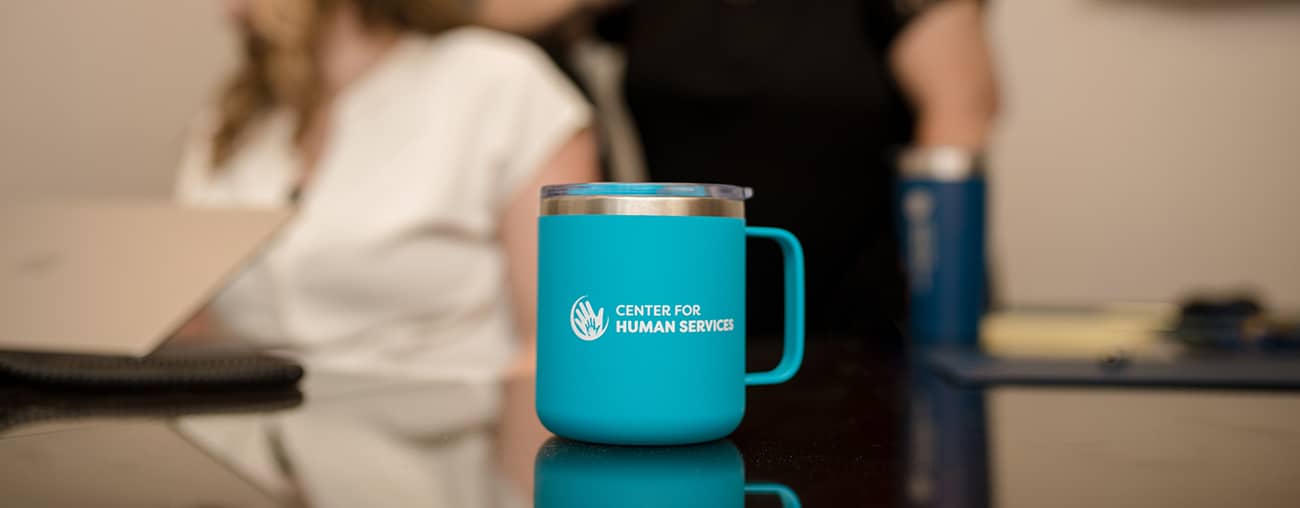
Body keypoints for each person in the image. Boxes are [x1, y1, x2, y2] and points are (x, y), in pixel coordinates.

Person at [482, 0, 998, 338]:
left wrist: (937, 289)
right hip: (701, 293)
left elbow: (960, 114)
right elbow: (483, 11)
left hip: (873, 300)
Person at [174, 0, 598, 377]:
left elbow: (562, 350)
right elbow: (185, 318)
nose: (226, 9)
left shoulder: (500, 85)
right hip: (261, 439)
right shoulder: (232, 121)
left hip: (452, 444)